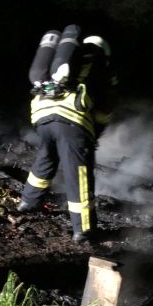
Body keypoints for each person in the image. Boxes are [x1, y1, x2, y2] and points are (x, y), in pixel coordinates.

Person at [17, 25, 117, 243]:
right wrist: (95, 134)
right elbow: (104, 110)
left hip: (42, 116)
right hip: (71, 121)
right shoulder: (100, 69)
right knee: (78, 174)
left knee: (47, 158)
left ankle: (27, 202)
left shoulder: (72, 61)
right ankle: (84, 229)